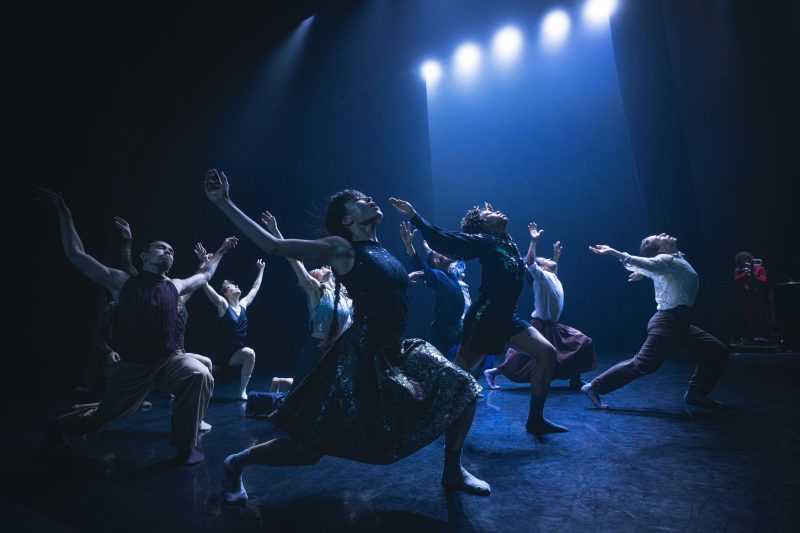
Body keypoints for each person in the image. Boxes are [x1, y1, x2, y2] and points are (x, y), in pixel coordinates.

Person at [203, 169, 488, 503]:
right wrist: (224, 202)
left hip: (394, 350)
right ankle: (236, 462)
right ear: (347, 220)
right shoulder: (341, 247)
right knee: (309, 450)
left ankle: (452, 470)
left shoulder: (379, 248)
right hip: (360, 359)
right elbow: (274, 246)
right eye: (360, 200)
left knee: (464, 388)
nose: (370, 199)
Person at [39, 186, 234, 465]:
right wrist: (64, 212)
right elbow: (76, 254)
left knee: (200, 374)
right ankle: (59, 426)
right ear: (144, 257)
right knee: (101, 420)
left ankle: (185, 446)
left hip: (168, 361)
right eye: (161, 247)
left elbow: (205, 275)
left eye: (171, 250)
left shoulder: (175, 286)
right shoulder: (122, 282)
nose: (168, 251)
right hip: (134, 368)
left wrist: (222, 250)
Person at [389, 198, 565, 434]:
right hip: (485, 318)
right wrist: (415, 217)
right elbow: (446, 239)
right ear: (483, 226)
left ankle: (535, 419)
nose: (496, 211)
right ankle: (428, 417)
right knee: (460, 377)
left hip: (507, 317)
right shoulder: (484, 242)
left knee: (547, 353)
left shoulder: (506, 241)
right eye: (487, 214)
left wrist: (491, 219)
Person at [581, 233, 729, 410]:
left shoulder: (674, 259)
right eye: (658, 238)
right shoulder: (665, 260)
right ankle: (594, 387)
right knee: (644, 364)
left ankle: (697, 392)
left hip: (679, 322)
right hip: (667, 322)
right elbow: (648, 263)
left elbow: (656, 268)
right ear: (660, 249)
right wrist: (614, 252)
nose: (663, 235)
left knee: (716, 351)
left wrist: (644, 273)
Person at [485, 223, 596, 391]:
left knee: (583, 343)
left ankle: (575, 379)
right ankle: (494, 372)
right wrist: (534, 241)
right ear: (541, 268)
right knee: (524, 358)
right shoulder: (540, 278)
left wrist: (556, 256)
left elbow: (553, 271)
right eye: (547, 260)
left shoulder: (551, 277)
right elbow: (530, 262)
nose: (550, 260)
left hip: (554, 326)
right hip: (541, 325)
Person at [260, 210, 353, 388]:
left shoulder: (344, 295)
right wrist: (275, 231)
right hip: (318, 349)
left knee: (326, 391)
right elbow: (294, 260)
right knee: (305, 391)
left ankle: (280, 382)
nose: (322, 267)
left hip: (338, 351)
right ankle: (274, 388)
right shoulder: (316, 290)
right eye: (316, 270)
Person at [399, 221, 470, 360]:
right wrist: (409, 245)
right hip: (444, 330)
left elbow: (460, 261)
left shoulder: (451, 274)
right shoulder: (438, 276)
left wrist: (428, 248)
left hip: (457, 326)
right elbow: (422, 267)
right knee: (440, 362)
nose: (446, 252)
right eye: (441, 252)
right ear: (437, 260)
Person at [201, 258, 265, 400]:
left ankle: (242, 392)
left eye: (236, 285)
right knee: (201, 379)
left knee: (250, 353)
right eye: (232, 286)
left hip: (235, 355)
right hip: (221, 356)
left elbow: (255, 288)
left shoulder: (243, 304)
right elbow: (205, 284)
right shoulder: (223, 305)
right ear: (225, 293)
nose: (236, 286)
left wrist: (261, 270)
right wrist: (204, 264)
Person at [732, 251, 770, 339]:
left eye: (746, 258)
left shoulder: (759, 268)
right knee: (749, 318)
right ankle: (754, 337)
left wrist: (753, 274)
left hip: (758, 296)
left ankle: (766, 337)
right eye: (742, 259)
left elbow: (764, 281)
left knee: (762, 317)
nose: (744, 261)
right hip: (744, 297)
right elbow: (735, 282)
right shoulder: (738, 270)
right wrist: (744, 274)